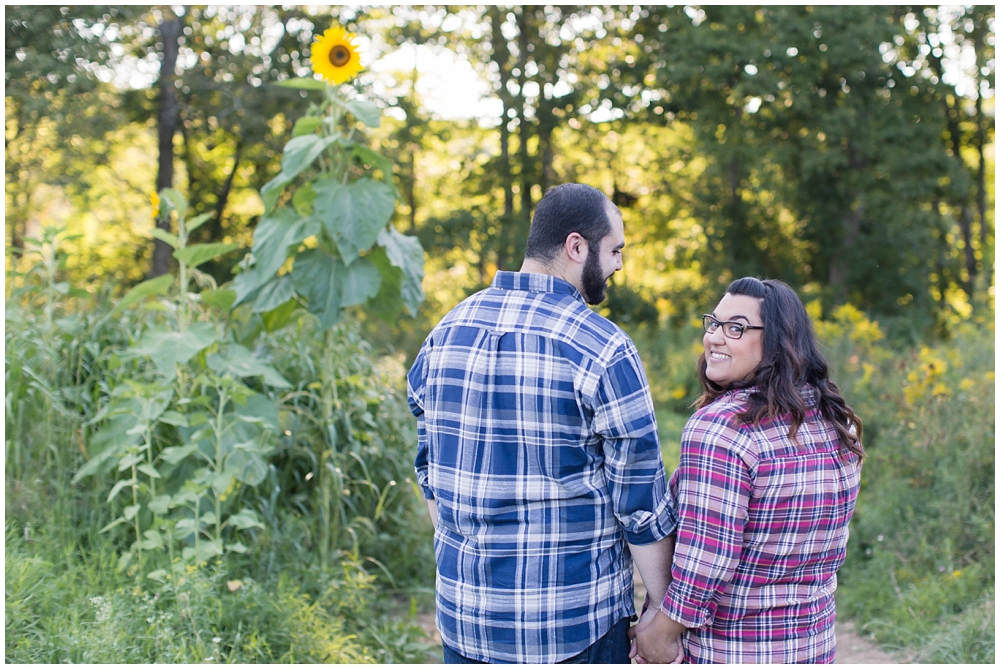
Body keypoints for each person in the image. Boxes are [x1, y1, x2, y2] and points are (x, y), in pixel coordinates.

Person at [408, 183, 677, 664]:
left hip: (466, 623)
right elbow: (640, 499)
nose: (618, 264)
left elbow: (430, 475)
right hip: (573, 630)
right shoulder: (603, 347)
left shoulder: (445, 333)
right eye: (615, 250)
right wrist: (660, 609)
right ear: (577, 247)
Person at [630, 277, 865, 664]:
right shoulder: (838, 423)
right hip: (812, 648)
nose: (715, 339)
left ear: (777, 341)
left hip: (732, 649)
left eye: (736, 328)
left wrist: (662, 631)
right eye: (714, 324)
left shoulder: (723, 428)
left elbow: (708, 557)